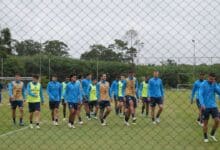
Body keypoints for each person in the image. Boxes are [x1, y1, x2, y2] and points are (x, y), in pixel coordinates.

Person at [199, 73, 220, 143]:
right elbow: (200, 94)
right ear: (208, 77)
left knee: (217, 120)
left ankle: (212, 134)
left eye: (213, 79)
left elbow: (219, 92)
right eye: (211, 79)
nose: (212, 80)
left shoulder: (214, 84)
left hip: (213, 106)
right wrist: (202, 104)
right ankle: (205, 137)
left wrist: (216, 85)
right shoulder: (203, 84)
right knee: (205, 123)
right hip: (205, 107)